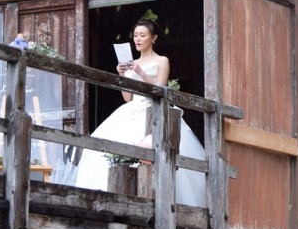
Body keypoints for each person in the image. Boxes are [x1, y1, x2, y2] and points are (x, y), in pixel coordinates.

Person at [73, 19, 207, 207]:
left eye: (142, 35)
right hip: (132, 109)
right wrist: (122, 75)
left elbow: (160, 89)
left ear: (154, 38)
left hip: (152, 108)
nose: (138, 39)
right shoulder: (131, 63)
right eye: (135, 35)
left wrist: (142, 73)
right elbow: (128, 97)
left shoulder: (162, 60)